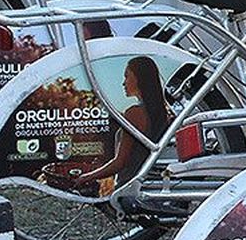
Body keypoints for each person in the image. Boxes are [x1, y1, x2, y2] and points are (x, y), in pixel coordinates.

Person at [52, 55, 169, 192]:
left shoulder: (135, 113)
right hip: (147, 185)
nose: (123, 83)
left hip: (127, 187)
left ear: (139, 78)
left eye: (127, 76)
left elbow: (120, 163)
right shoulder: (162, 114)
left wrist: (86, 177)